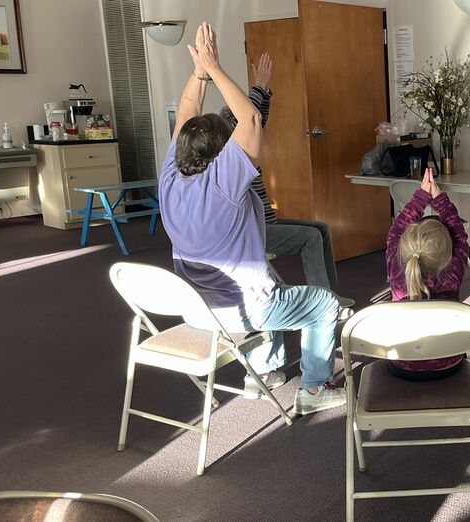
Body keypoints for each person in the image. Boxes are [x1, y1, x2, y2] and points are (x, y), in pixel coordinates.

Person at [158, 22, 346, 415]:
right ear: (221, 155)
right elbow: (251, 121)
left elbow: (187, 114)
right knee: (324, 304)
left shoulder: (170, 178)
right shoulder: (222, 185)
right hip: (242, 309)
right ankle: (315, 389)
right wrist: (214, 67)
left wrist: (199, 74)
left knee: (267, 275)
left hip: (199, 307)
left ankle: (265, 372)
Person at [218, 52, 354, 309]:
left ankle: (328, 293)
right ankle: (323, 304)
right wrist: (258, 86)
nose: (257, 133)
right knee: (310, 237)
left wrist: (264, 90)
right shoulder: (233, 160)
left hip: (266, 223)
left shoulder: (245, 151)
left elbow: (257, 121)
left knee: (321, 229)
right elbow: (249, 119)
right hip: (252, 232)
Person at [384, 169, 469, 381]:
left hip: (401, 363)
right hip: (448, 363)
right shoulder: (453, 272)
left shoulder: (397, 268)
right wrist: (439, 198)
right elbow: (459, 232)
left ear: (403, 246)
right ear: (449, 252)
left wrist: (420, 197)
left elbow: (395, 232)